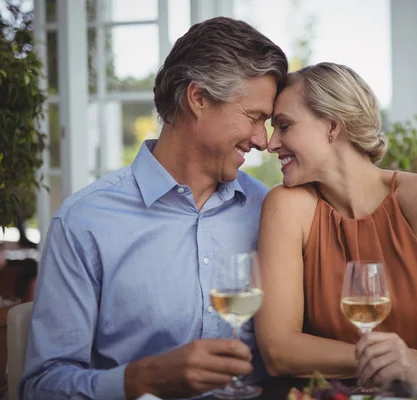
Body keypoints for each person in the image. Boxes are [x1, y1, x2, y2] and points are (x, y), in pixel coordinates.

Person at [20, 17, 287, 400]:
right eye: (254, 118)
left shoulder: (269, 209)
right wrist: (140, 380)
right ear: (198, 98)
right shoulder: (84, 223)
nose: (263, 140)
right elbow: (41, 387)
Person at [254, 62, 417, 392]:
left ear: (332, 125)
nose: (271, 144)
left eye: (284, 126)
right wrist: (392, 360)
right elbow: (278, 351)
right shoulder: (286, 207)